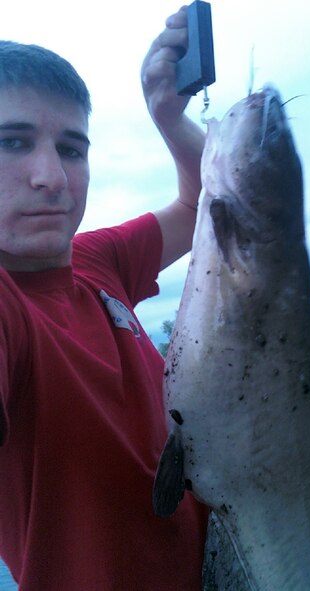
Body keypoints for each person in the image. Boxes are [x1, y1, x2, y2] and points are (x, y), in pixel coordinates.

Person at [0, 6, 209, 591]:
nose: (51, 177)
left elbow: (203, 207)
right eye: (12, 142)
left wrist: (168, 115)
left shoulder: (97, 260)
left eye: (71, 149)